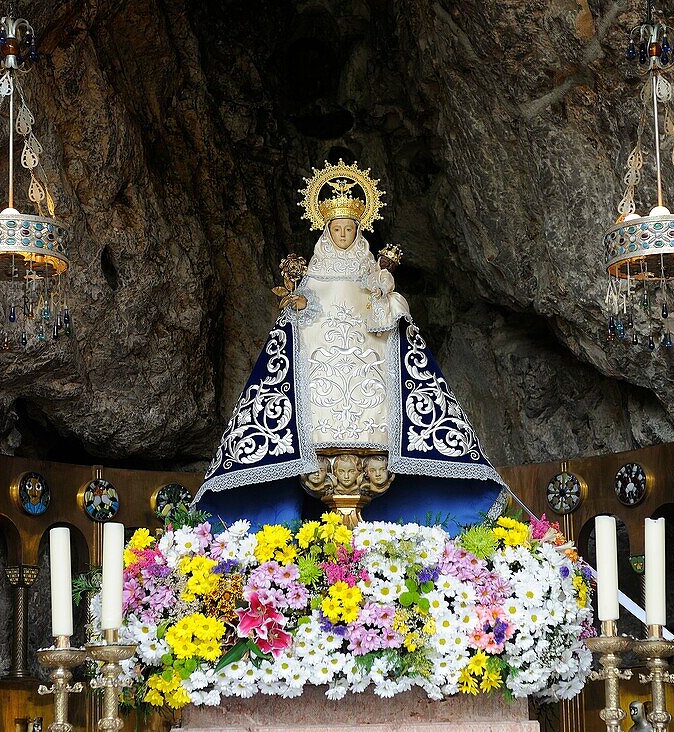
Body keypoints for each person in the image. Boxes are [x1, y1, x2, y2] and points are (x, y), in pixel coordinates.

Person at [196, 161, 506, 530]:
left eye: (348, 229)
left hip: (368, 384)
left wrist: (383, 292)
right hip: (321, 385)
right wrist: (297, 303)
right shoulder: (312, 275)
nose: (343, 234)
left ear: (359, 231)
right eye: (336, 229)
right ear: (325, 231)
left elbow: (386, 322)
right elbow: (298, 326)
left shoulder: (372, 274)